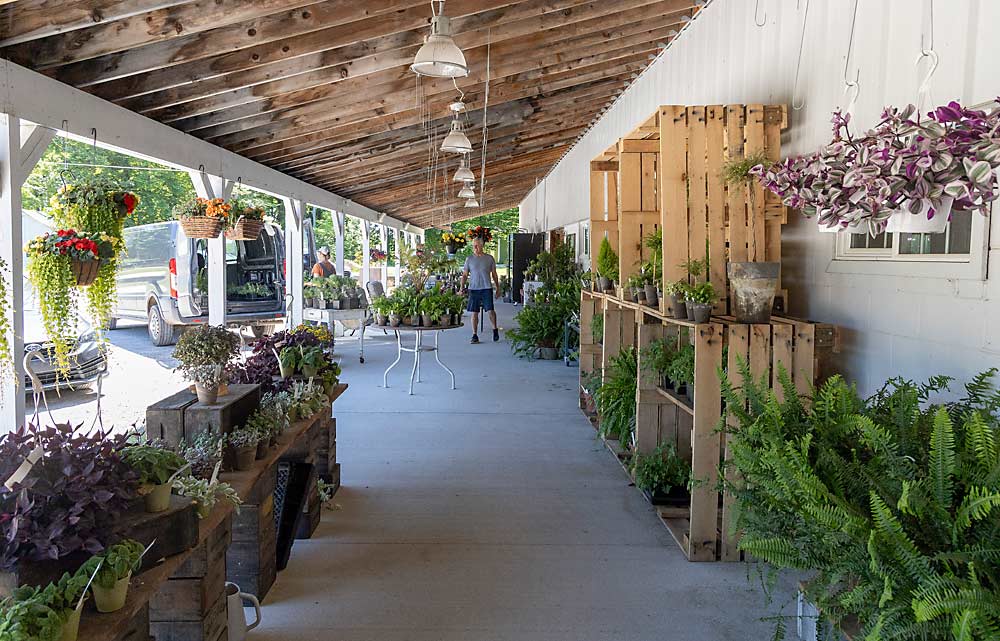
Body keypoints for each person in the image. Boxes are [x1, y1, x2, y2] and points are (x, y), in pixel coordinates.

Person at [460, 235, 501, 344]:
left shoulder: (489, 258)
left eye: (477, 246)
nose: (475, 248)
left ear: (482, 246)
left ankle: (495, 329)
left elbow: (494, 274)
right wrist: (461, 287)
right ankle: (474, 335)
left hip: (486, 288)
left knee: (490, 310)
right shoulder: (469, 259)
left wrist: (498, 288)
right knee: (474, 312)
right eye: (474, 246)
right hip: (473, 289)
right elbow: (464, 275)